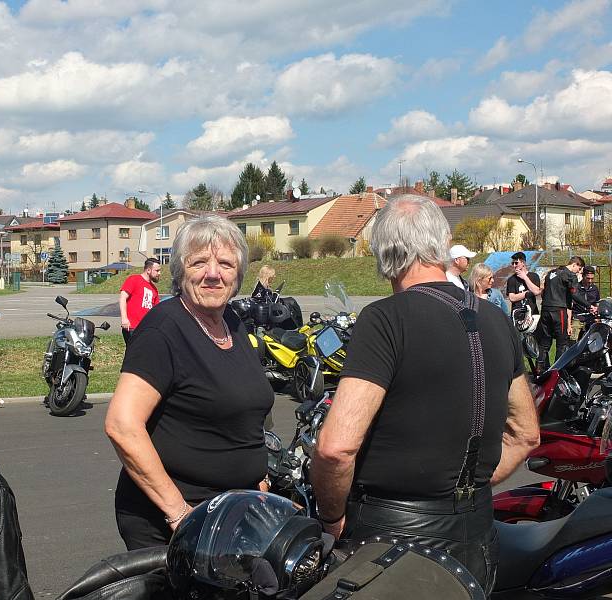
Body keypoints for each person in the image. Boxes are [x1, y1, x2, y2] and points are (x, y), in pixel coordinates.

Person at [310, 194, 540, 593]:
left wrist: (331, 519)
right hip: (478, 538)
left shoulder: (384, 319)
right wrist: (468, 488)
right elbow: (526, 434)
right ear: (441, 243)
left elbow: (335, 447)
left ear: (383, 252)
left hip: (391, 543)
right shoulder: (497, 319)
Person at [105, 215, 274, 550]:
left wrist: (261, 480)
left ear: (238, 274)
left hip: (232, 513)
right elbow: (122, 425)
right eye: (200, 263)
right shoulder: (163, 329)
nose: (213, 274)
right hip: (179, 520)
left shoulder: (231, 322)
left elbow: (248, 407)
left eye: (225, 263)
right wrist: (179, 513)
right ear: (181, 272)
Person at [536, 256, 596, 370]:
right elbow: (575, 294)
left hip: (545, 309)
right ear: (575, 265)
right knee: (562, 342)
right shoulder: (570, 275)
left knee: (545, 340)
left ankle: (539, 368)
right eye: (579, 269)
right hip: (559, 311)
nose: (578, 273)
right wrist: (589, 305)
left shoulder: (551, 273)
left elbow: (543, 292)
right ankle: (557, 370)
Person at [119, 258, 161, 345]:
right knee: (134, 355)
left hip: (146, 329)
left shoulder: (154, 289)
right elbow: (123, 298)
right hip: (132, 327)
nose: (159, 273)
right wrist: (124, 318)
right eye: (157, 270)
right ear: (148, 270)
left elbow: (156, 311)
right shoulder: (134, 279)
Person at [506, 251, 541, 317]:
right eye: (512, 263)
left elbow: (536, 291)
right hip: (517, 314)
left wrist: (525, 277)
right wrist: (527, 293)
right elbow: (512, 298)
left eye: (516, 263)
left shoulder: (534, 276)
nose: (514, 265)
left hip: (532, 314)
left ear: (523, 263)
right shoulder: (511, 279)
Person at [571, 266, 600, 342]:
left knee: (592, 341)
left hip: (590, 318)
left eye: (592, 278)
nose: (590, 281)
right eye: (588, 278)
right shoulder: (576, 287)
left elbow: (596, 303)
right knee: (573, 341)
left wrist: (597, 317)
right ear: (583, 276)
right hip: (577, 317)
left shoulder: (595, 288)